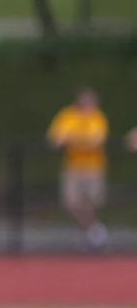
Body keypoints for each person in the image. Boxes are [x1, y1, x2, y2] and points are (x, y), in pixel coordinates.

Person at [47, 88, 110, 250]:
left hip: (94, 167)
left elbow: (97, 140)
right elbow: (55, 139)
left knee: (93, 201)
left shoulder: (97, 117)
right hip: (72, 167)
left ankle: (89, 234)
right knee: (70, 202)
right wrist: (81, 140)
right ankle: (94, 230)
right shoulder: (67, 115)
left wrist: (72, 139)